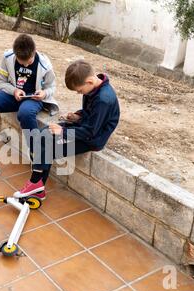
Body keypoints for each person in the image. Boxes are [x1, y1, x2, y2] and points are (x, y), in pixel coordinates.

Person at [13, 60, 120, 200]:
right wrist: (77, 116)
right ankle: (37, 186)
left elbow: (91, 131)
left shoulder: (104, 99)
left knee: (49, 145)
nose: (79, 93)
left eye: (79, 91)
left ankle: (36, 184)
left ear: (89, 81)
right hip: (83, 128)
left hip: (91, 139)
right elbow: (91, 114)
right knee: (43, 133)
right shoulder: (94, 88)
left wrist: (62, 132)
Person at [0, 33, 59, 164]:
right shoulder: (7, 57)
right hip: (13, 95)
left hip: (33, 99)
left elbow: (52, 87)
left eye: (28, 62)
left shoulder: (45, 65)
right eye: (21, 62)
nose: (25, 65)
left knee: (25, 113)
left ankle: (36, 151)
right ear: (15, 54)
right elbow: (1, 82)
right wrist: (14, 90)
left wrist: (43, 93)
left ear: (34, 52)